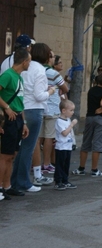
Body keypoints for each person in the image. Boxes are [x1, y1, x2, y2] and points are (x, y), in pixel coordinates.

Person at [11, 43, 56, 193]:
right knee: (28, 147)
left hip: (20, 107)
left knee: (21, 147)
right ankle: (23, 181)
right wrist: (50, 92)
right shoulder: (40, 70)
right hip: (34, 109)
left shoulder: (21, 68)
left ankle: (14, 180)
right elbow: (39, 95)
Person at [0, 48, 31, 200]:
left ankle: (7, 186)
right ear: (24, 62)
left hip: (18, 119)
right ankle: (0, 187)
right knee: (5, 155)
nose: (30, 64)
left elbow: (20, 102)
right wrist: (6, 108)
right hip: (9, 119)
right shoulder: (8, 75)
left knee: (12, 154)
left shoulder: (20, 78)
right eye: (29, 61)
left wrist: (24, 122)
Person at [72, 72, 102, 177]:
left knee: (86, 142)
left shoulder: (91, 90)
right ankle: (94, 169)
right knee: (97, 144)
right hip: (100, 119)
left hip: (89, 117)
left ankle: (81, 168)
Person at [37, 50, 68, 182]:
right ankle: (46, 164)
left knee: (38, 138)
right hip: (52, 107)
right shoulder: (53, 73)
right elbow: (65, 88)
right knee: (49, 137)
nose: (53, 58)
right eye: (53, 57)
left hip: (38, 106)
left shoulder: (35, 71)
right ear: (48, 58)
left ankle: (36, 164)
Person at [53, 100, 78, 190]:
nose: (73, 112)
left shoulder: (67, 119)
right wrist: (71, 125)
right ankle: (58, 181)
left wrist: (73, 142)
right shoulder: (59, 121)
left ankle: (65, 180)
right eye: (71, 110)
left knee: (66, 164)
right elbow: (64, 133)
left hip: (67, 146)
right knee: (60, 164)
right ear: (64, 111)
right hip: (61, 147)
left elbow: (70, 133)